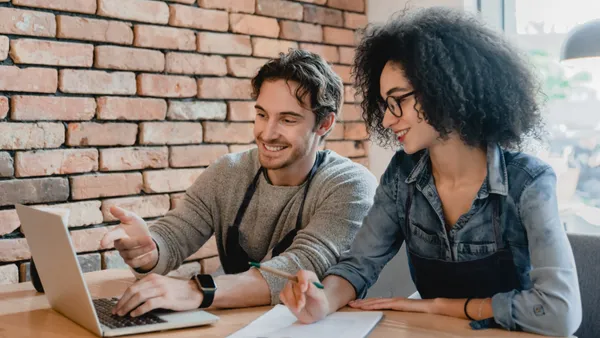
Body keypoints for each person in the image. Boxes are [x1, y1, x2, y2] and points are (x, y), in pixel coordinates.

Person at [279, 7, 582, 337]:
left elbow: (559, 313)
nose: (387, 120)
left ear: (447, 92)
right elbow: (359, 264)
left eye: (399, 100)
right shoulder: (401, 177)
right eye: (384, 104)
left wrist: (440, 305)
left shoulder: (529, 182)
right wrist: (321, 300)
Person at [100, 49, 377, 317]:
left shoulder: (350, 185)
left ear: (324, 124)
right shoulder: (228, 172)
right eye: (262, 115)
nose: (268, 133)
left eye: (288, 119)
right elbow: (174, 234)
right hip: (238, 324)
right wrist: (149, 250)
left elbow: (304, 264)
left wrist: (197, 291)